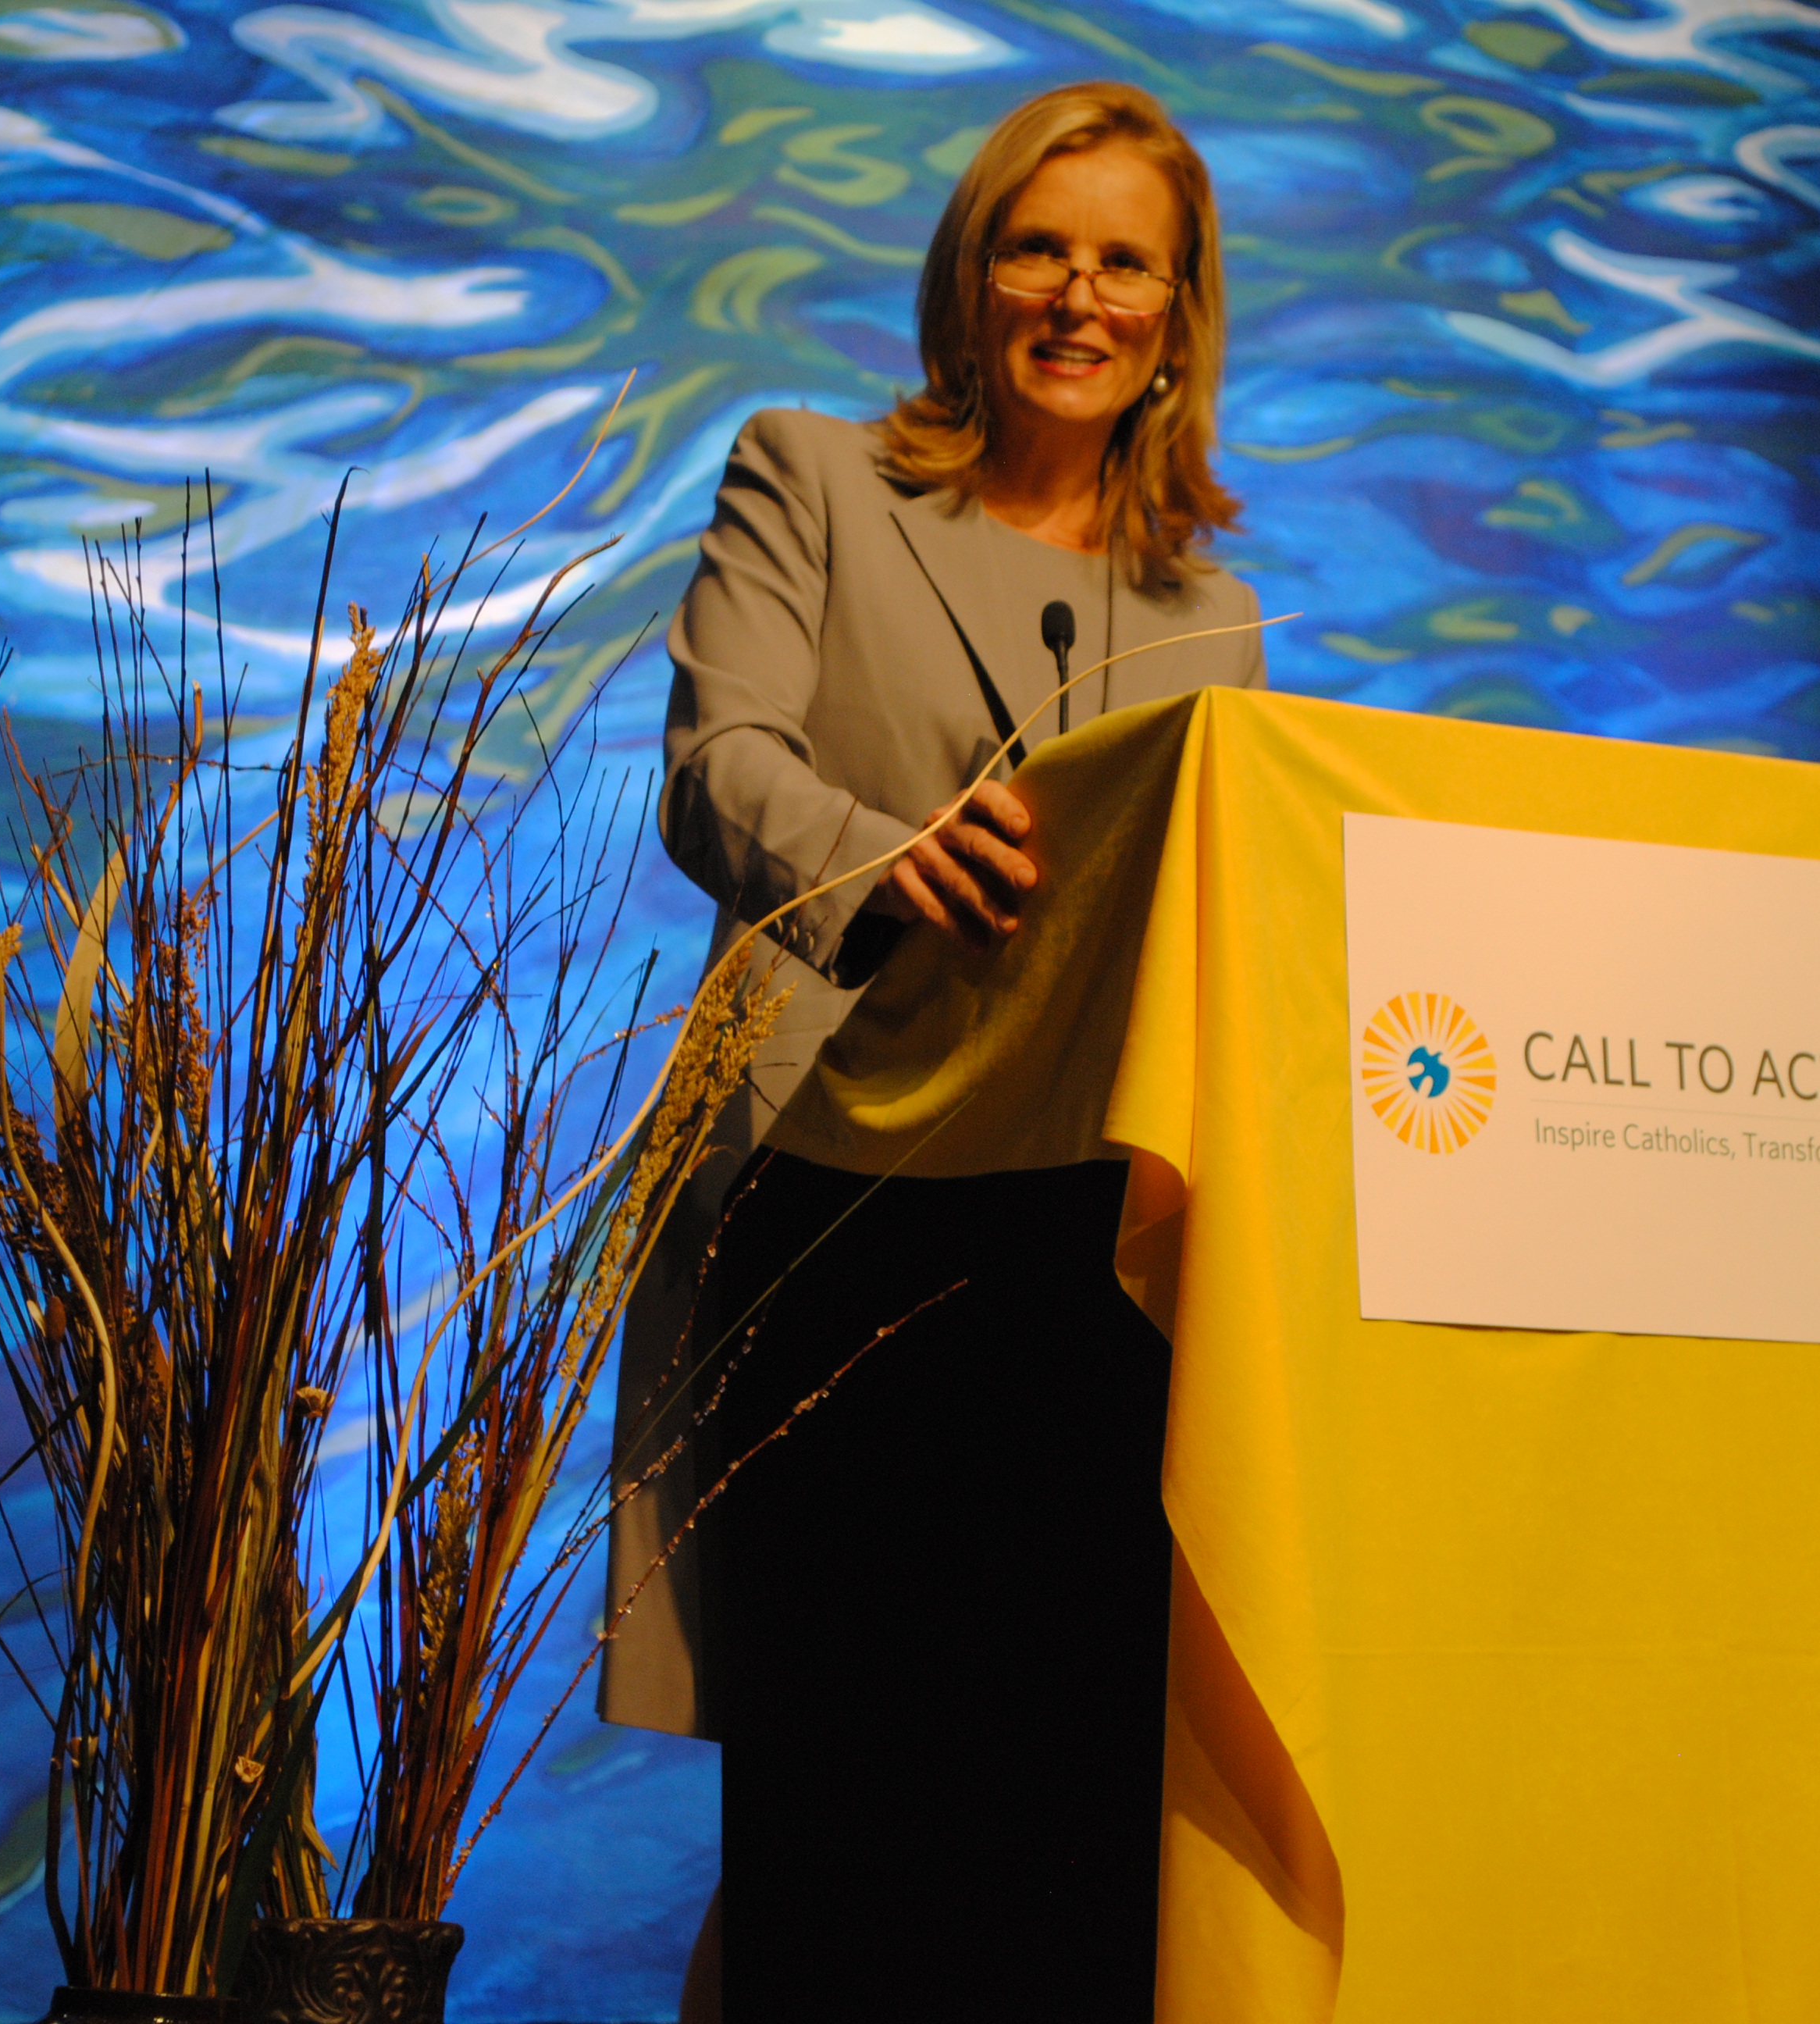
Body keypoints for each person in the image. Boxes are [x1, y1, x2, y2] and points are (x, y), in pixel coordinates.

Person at [597, 78, 1266, 2022]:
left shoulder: (1211, 620)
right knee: (836, 1800)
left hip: (1073, 1259)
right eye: (1036, 246)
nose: (1077, 292)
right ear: (968, 280)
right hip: (828, 1197)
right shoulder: (809, 473)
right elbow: (718, 771)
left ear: (1177, 310)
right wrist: (888, 863)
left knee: (1054, 1803)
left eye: (1122, 260)